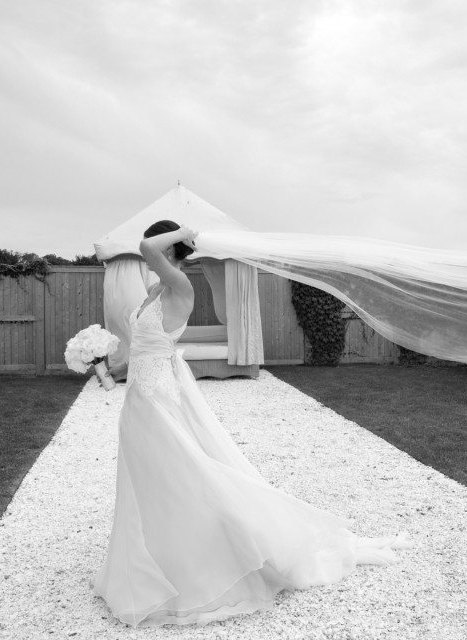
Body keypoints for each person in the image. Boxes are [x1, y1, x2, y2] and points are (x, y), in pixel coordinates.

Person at [91, 220, 409, 627]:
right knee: (151, 476)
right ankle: (157, 549)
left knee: (178, 471)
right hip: (141, 393)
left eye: (158, 245)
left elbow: (146, 246)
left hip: (157, 399)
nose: (145, 253)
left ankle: (208, 557)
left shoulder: (180, 288)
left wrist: (184, 230)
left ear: (169, 249)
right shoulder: (155, 289)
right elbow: (142, 335)